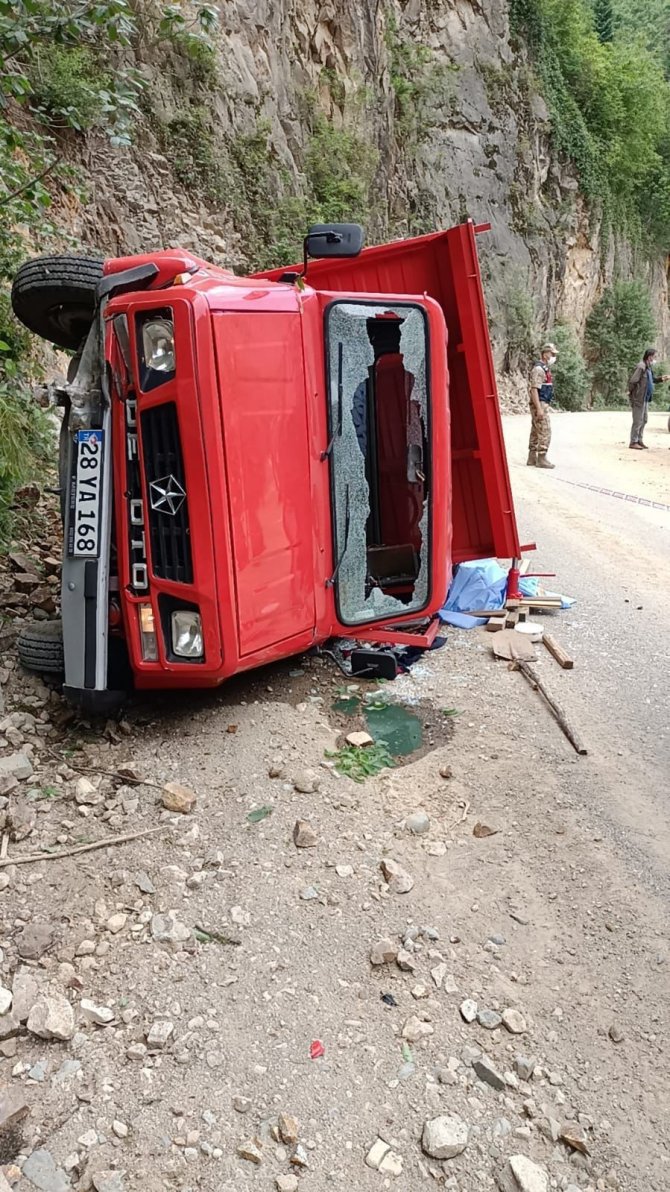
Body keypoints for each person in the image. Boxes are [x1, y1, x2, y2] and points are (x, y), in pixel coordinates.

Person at [627, 348, 670, 450]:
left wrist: (662, 379)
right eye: (654, 357)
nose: (655, 359)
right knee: (638, 420)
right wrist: (631, 393)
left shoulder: (648, 368)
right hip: (639, 398)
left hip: (646, 398)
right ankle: (633, 442)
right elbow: (633, 381)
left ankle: (639, 440)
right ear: (649, 356)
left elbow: (652, 380)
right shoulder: (641, 367)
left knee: (644, 419)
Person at [527, 342, 557, 469]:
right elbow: (534, 389)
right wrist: (539, 408)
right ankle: (542, 458)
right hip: (540, 403)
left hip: (541, 403)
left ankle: (532, 457)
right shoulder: (539, 370)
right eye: (552, 353)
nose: (553, 356)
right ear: (545, 354)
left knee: (535, 430)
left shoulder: (544, 368)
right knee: (545, 430)